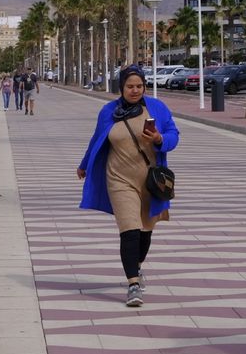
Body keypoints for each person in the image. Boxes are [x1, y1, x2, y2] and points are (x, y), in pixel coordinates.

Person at [76, 66, 180, 307]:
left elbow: (174, 134)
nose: (135, 91)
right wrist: (84, 164)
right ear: (121, 88)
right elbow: (97, 139)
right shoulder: (108, 111)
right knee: (129, 230)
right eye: (130, 86)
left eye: (139, 86)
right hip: (118, 178)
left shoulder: (157, 108)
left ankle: (138, 265)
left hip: (150, 180)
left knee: (145, 230)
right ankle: (133, 284)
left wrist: (160, 139)